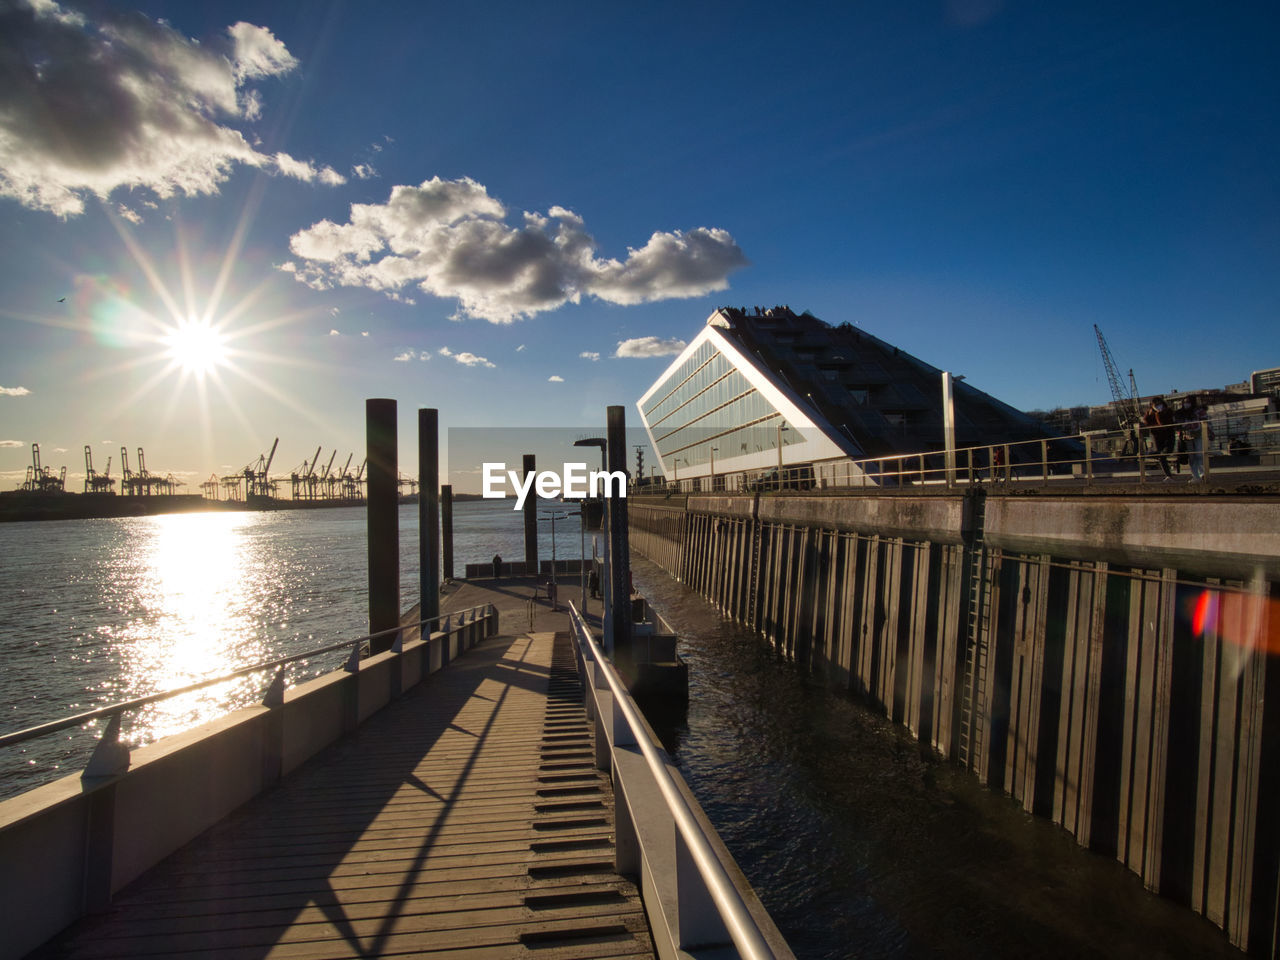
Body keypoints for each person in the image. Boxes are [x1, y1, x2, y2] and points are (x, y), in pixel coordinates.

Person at [1142, 398, 1176, 480]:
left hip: (1168, 436)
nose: (1158, 406)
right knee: (1161, 456)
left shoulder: (1168, 412)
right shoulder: (1149, 414)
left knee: (1166, 452)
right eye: (1155, 405)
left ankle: (1148, 453)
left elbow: (1163, 423)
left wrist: (1158, 414)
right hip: (1157, 437)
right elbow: (1146, 423)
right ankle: (1168, 475)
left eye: (1159, 404)